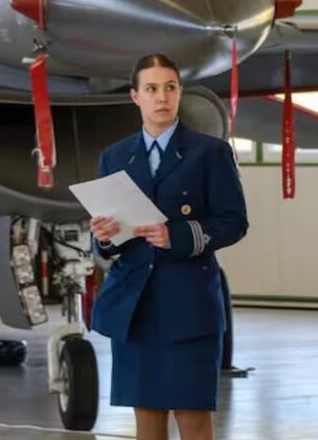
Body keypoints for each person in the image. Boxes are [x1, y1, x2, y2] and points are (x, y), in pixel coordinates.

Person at [90, 53, 247, 440]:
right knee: (147, 413)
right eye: (152, 89)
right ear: (135, 96)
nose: (162, 97)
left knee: (192, 414)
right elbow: (108, 241)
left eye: (170, 88)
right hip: (135, 306)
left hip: (188, 303)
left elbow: (234, 223)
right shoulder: (114, 157)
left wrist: (177, 236)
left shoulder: (210, 153)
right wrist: (104, 235)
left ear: (179, 93)